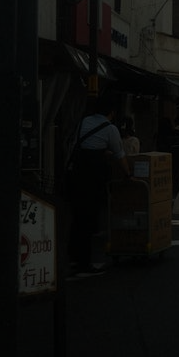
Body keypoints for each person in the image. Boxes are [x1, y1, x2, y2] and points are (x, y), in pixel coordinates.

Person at [69, 94, 130, 277]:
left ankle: (73, 258)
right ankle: (84, 262)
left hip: (77, 173)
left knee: (77, 217)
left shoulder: (84, 122)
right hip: (93, 176)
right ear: (112, 112)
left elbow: (79, 144)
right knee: (89, 217)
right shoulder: (110, 128)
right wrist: (129, 174)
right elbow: (120, 154)